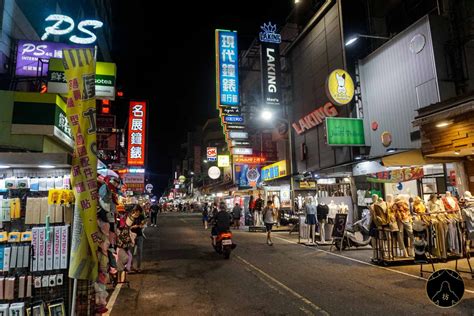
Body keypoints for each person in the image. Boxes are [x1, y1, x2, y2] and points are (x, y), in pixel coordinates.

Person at [130, 205, 146, 273]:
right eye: (136, 211)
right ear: (133, 211)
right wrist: (133, 226)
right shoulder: (130, 217)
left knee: (139, 252)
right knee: (131, 252)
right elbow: (127, 226)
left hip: (139, 236)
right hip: (132, 236)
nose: (137, 213)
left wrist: (141, 225)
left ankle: (138, 267)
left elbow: (143, 224)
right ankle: (130, 267)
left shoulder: (141, 216)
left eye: (138, 211)